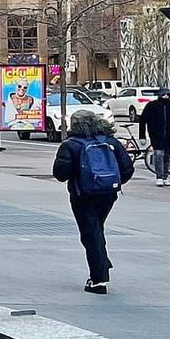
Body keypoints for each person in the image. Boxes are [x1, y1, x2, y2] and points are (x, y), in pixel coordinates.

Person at [53, 109, 135, 295]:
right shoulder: (111, 142)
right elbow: (127, 169)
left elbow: (60, 174)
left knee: (90, 233)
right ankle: (102, 261)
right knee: (96, 227)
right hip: (108, 194)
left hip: (83, 195)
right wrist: (111, 182)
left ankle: (98, 279)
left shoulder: (71, 145)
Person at [138, 88, 170, 188]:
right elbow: (142, 120)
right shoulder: (151, 106)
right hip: (156, 134)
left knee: (166, 156)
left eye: (167, 95)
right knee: (159, 154)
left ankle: (165, 177)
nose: (165, 97)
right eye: (163, 95)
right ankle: (159, 177)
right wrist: (142, 136)